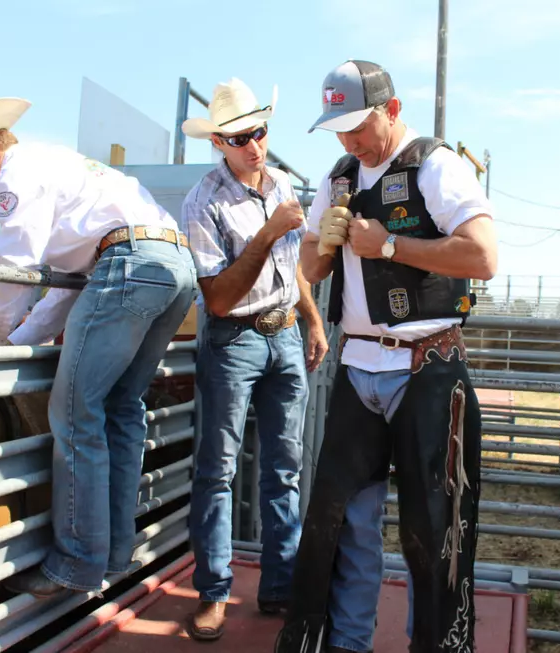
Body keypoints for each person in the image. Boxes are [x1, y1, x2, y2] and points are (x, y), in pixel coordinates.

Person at [0, 97, 198, 596]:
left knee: (75, 413)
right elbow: (61, 290)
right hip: (171, 265)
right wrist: (10, 341)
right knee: (120, 406)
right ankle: (116, 552)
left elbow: (13, 272)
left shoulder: (14, 178)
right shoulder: (61, 168)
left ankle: (76, 563)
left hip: (128, 265)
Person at [275, 60, 498, 653]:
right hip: (359, 367)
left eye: (356, 125)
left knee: (434, 527)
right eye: (338, 129)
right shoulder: (340, 175)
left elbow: (483, 258)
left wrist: (391, 244)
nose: (348, 140)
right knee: (342, 522)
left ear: (392, 110)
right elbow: (309, 270)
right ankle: (345, 645)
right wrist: (323, 244)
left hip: (429, 365)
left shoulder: (436, 165)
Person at [178, 77, 329, 641]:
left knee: (283, 471)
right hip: (233, 340)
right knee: (218, 470)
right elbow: (217, 298)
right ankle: (214, 592)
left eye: (259, 132)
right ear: (218, 142)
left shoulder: (282, 182)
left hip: (285, 332)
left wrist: (313, 320)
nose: (254, 146)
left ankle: (280, 588)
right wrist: (267, 231)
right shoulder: (203, 201)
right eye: (240, 137)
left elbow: (290, 270)